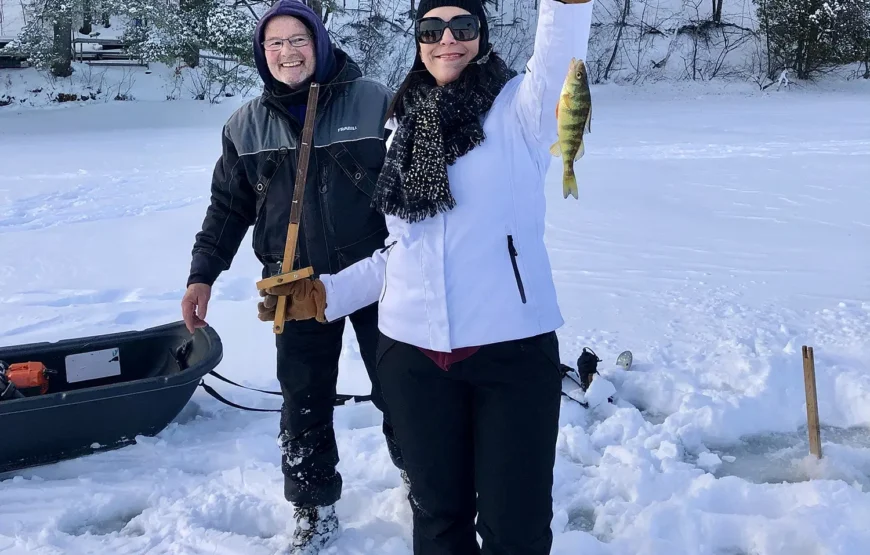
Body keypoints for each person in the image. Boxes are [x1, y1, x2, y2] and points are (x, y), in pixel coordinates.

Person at [260, 0, 594, 552]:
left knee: (516, 528)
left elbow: (561, 57)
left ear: (481, 35)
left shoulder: (521, 110)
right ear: (417, 38)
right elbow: (403, 251)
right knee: (439, 521)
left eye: (462, 27)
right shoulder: (402, 125)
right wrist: (327, 294)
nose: (447, 40)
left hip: (510, 353)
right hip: (413, 359)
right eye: (431, 29)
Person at [180, 0, 406, 552]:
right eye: (274, 43)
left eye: (297, 40)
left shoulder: (376, 102)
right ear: (262, 53)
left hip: (379, 276)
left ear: (320, 42)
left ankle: (423, 482)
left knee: (403, 388)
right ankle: (313, 508)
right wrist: (202, 274)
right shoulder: (243, 126)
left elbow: (416, 187)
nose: (287, 53)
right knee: (303, 399)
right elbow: (228, 208)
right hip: (295, 284)